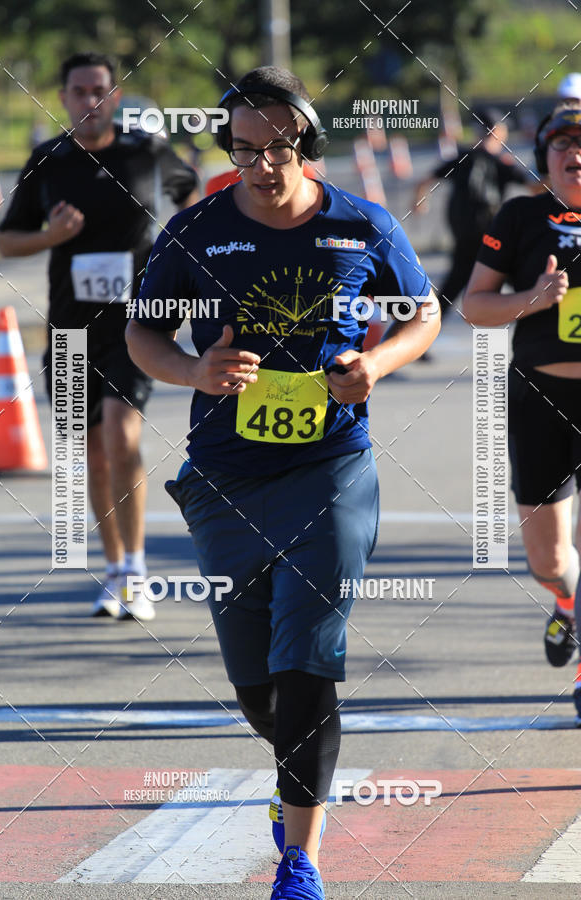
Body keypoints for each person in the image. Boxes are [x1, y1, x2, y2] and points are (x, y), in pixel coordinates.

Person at [126, 65, 439, 898]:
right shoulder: (194, 233)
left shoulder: (362, 226)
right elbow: (141, 336)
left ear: (308, 142)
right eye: (244, 148)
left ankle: (298, 861)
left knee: (309, 662)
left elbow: (426, 313)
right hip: (226, 477)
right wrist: (197, 371)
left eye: (279, 145)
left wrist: (372, 363)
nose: (262, 163)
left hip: (332, 467)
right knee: (259, 689)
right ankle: (291, 774)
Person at [0, 52, 198, 620]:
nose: (90, 100)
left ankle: (135, 569)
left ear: (114, 96)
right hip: (69, 325)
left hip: (137, 321)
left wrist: (177, 248)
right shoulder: (48, 160)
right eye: (79, 91)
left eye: (100, 90)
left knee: (120, 436)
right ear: (62, 98)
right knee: (93, 454)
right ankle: (115, 571)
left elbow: (193, 197)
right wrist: (52, 234)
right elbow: (10, 240)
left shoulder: (147, 152)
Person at [462, 102, 581, 724]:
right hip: (539, 395)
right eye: (563, 143)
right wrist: (532, 301)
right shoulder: (521, 216)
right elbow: (472, 306)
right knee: (550, 560)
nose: (575, 154)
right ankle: (568, 603)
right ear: (546, 156)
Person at [414, 107, 536, 319]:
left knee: (454, 285)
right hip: (490, 234)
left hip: (464, 235)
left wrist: (419, 201)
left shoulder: (463, 158)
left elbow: (425, 180)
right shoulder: (502, 162)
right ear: (497, 131)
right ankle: (538, 321)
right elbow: (534, 187)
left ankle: (420, 335)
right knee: (517, 278)